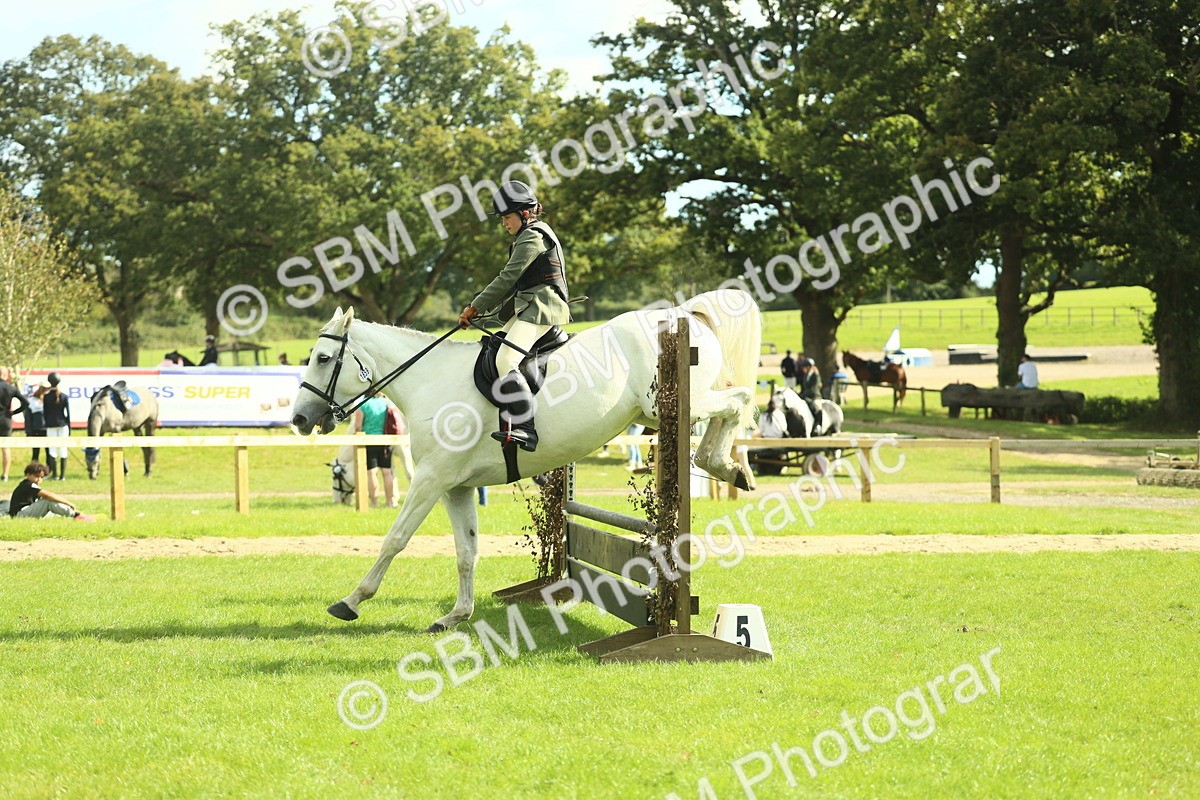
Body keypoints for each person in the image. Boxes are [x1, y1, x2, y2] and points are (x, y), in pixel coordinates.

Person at [457, 180, 571, 453]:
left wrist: (475, 306)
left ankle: (527, 429)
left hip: (542, 308)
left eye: (507, 217)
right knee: (495, 348)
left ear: (524, 213)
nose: (504, 224)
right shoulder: (527, 235)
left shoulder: (533, 236)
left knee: (506, 359)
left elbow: (508, 277)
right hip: (529, 306)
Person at [351, 392, 396, 508]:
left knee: (372, 473)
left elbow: (357, 426)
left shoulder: (363, 404)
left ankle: (374, 502)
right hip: (386, 440)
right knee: (387, 472)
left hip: (369, 441)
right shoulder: (386, 402)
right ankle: (390, 501)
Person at [8, 462, 93, 520]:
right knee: (47, 501)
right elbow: (48, 495)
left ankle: (80, 515)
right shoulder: (28, 484)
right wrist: (68, 503)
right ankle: (75, 515)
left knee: (54, 513)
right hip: (19, 514)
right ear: (28, 474)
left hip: (25, 512)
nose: (39, 480)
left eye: (42, 477)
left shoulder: (30, 485)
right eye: (36, 476)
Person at [0, 367, 30, 482]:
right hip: (5, 420)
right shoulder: (10, 388)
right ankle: (5, 475)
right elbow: (25, 403)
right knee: (6, 448)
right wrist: (13, 413)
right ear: (6, 375)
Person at [42, 372, 71, 481]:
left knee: (52, 450)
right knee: (63, 449)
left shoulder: (46, 396)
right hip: (62, 425)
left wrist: (47, 423)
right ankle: (63, 475)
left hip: (51, 425)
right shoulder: (64, 396)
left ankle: (55, 475)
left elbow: (45, 413)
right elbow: (67, 414)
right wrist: (69, 426)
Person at [798, 358, 825, 436]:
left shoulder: (816, 375)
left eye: (804, 367)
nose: (803, 369)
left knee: (816, 408)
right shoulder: (806, 375)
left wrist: (804, 394)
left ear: (809, 367)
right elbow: (804, 387)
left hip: (815, 396)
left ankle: (818, 425)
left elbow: (814, 388)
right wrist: (800, 393)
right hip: (806, 396)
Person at [25, 382, 49, 461]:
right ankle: (33, 471)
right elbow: (28, 417)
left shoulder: (49, 399)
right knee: (35, 452)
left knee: (49, 452)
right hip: (36, 429)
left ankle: (50, 470)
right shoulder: (31, 400)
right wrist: (28, 431)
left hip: (47, 429)